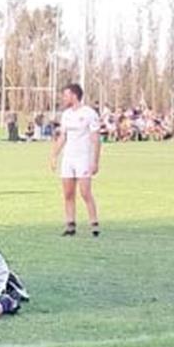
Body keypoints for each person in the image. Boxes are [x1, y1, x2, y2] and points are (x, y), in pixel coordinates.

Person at [50, 83, 102, 237]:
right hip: (69, 158)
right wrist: (54, 155)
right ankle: (70, 224)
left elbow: (95, 139)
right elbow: (62, 137)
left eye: (66, 95)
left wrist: (95, 160)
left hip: (83, 157)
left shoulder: (89, 114)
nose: (64, 98)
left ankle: (94, 223)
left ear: (74, 95)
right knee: (68, 193)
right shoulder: (66, 115)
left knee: (85, 192)